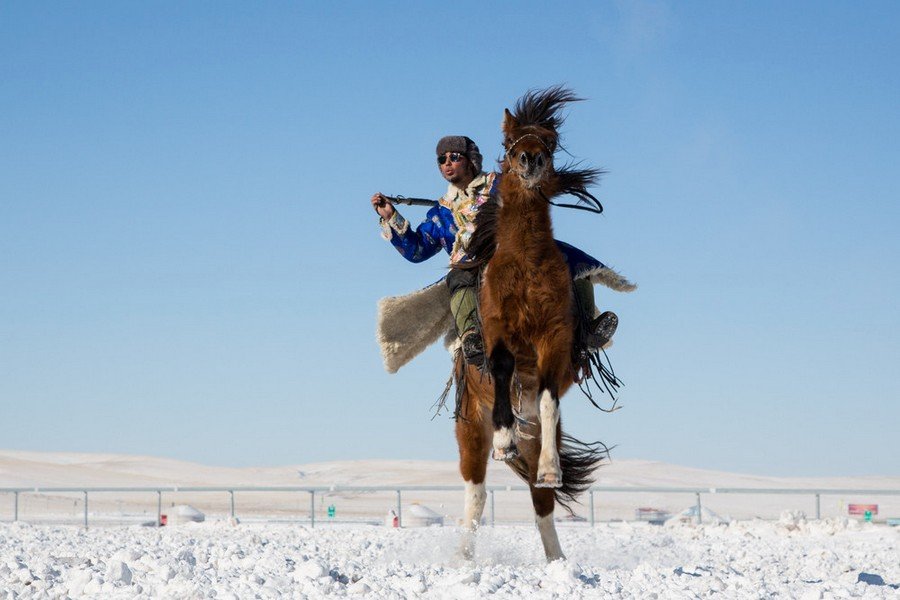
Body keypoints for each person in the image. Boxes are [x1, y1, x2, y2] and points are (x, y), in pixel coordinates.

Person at [371, 136, 617, 368]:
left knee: (574, 261)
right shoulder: (440, 213)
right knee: (457, 277)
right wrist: (391, 216)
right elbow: (417, 251)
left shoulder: (500, 184)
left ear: (470, 160)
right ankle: (471, 337)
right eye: (441, 159)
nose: (447, 163)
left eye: (454, 157)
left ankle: (586, 331)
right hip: (472, 268)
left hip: (515, 253)